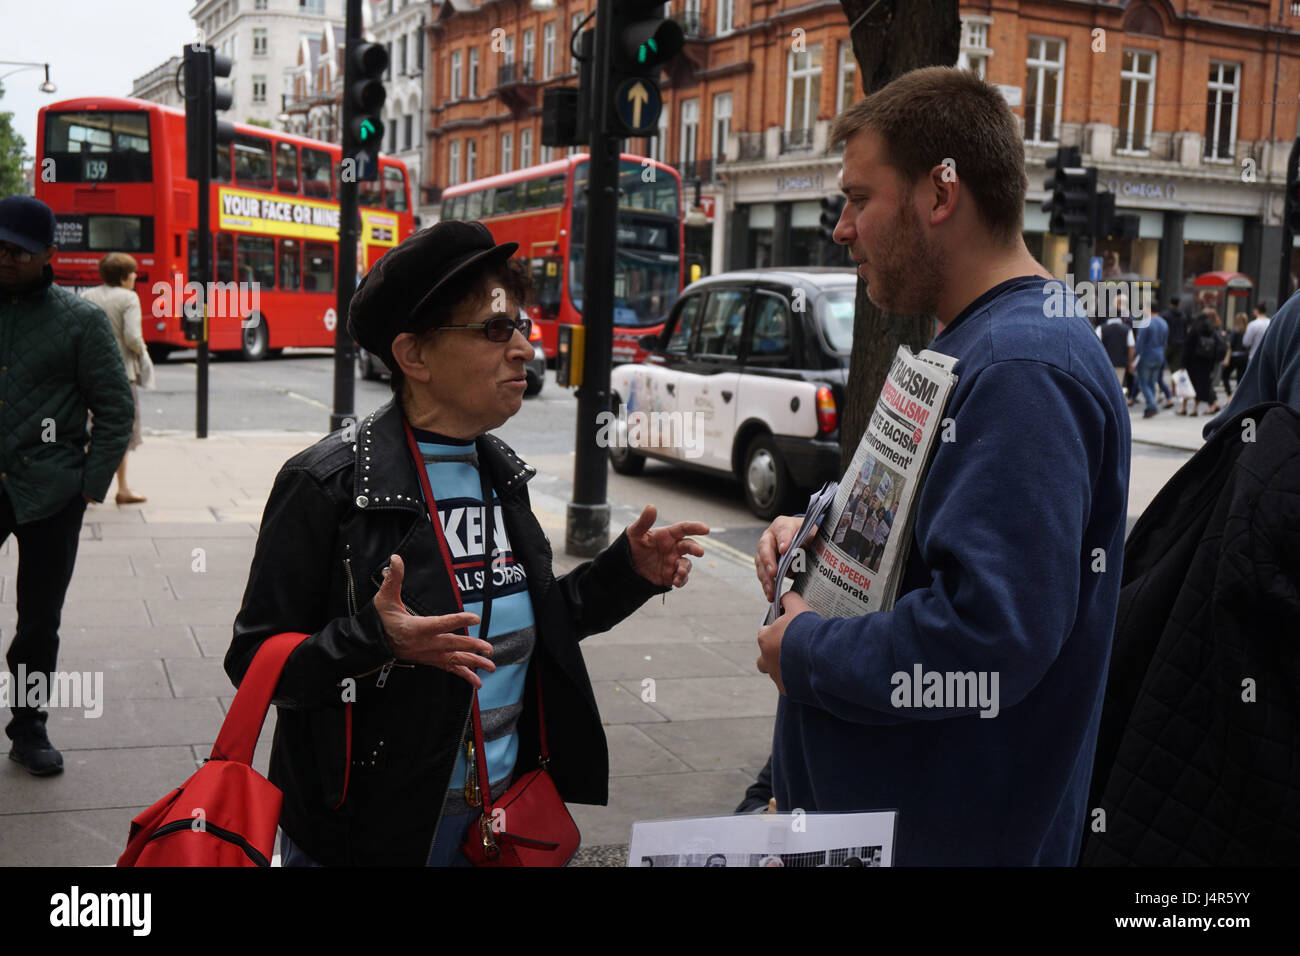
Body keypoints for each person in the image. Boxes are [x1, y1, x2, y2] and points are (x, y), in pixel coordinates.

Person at [225, 221, 709, 866]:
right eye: (493, 330)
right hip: (372, 831)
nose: (525, 351)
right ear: (414, 356)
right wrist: (374, 640)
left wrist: (626, 572)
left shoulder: (499, 470)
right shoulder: (326, 484)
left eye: (521, 328)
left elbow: (527, 624)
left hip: (499, 814)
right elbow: (255, 661)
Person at [753, 67, 1130, 866]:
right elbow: (926, 539)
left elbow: (991, 635)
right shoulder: (981, 345)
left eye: (860, 198)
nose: (841, 229)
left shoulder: (1025, 368)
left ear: (939, 194)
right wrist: (815, 538)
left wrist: (808, 655)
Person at [0, 195, 134, 775]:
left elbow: (114, 407)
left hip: (52, 493)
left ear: (50, 255)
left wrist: (90, 485)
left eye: (18, 253)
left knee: (37, 622)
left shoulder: (79, 321)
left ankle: (29, 728)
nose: (5, 259)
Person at [80, 252, 152, 504]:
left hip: (90, 373)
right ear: (123, 276)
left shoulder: (88, 296)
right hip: (122, 375)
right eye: (132, 272)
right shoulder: (129, 298)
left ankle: (86, 488)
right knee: (121, 431)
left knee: (91, 429)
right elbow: (132, 336)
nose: (134, 276)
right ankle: (122, 488)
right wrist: (142, 353)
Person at [1202, 289, 1300, 439]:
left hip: (1255, 357)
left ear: (1255, 310)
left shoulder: (1288, 313)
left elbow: (1251, 405)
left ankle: (1229, 396)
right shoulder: (1276, 318)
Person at [1179, 309, 1224, 416]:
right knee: (1203, 384)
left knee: (1189, 383)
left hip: (1193, 361)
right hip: (1207, 361)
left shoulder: (1195, 330)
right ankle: (1196, 407)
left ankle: (1186, 408)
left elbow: (1187, 347)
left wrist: (1182, 363)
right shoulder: (1212, 330)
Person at [1134, 303, 1169, 418]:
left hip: (1147, 355)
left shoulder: (1145, 323)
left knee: (1143, 382)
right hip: (1159, 355)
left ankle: (1152, 405)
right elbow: (1165, 342)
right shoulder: (1164, 323)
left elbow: (1140, 344)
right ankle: (1151, 405)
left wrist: (1134, 357)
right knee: (1152, 382)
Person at [1220, 311, 1249, 396]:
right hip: (1244, 356)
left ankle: (1229, 396)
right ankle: (1239, 396)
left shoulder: (1234, 331)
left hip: (1234, 356)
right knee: (1240, 378)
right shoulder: (1247, 331)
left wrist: (1226, 358)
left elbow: (1230, 346)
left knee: (1225, 375)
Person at [1162, 297, 1187, 373]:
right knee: (1175, 368)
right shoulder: (1183, 316)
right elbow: (1185, 331)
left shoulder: (1165, 315)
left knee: (1161, 363)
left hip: (1168, 343)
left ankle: (1160, 382)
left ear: (1170, 304)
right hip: (1179, 344)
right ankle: (1174, 384)